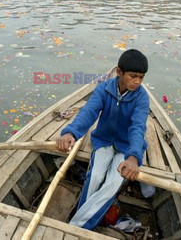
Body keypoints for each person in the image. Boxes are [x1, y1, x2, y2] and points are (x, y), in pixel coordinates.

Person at [56, 49, 150, 230]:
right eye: (133, 76)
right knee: (95, 177)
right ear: (119, 72)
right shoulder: (103, 89)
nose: (137, 82)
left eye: (141, 77)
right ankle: (81, 223)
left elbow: (138, 128)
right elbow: (89, 111)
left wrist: (133, 157)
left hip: (127, 147)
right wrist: (71, 133)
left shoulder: (142, 98)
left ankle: (77, 227)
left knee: (112, 184)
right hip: (104, 140)